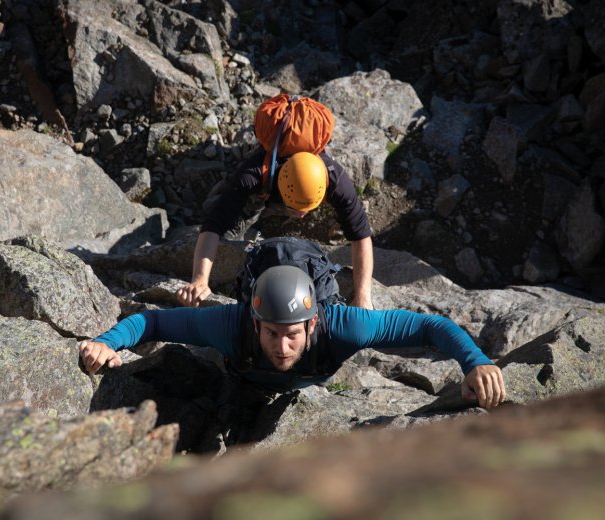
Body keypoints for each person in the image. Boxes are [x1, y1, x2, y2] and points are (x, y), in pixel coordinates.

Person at [82, 265, 506, 409]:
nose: (282, 347)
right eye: (271, 333)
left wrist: (475, 362)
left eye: (292, 336)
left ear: (313, 325)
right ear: (254, 322)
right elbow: (153, 322)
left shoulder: (347, 325)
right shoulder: (227, 324)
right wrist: (107, 341)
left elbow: (430, 327)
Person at [176, 127, 374, 311]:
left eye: (307, 209)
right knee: (227, 210)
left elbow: (361, 235)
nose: (302, 215)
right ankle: (249, 216)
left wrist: (363, 296)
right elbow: (214, 223)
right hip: (265, 184)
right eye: (297, 208)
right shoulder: (252, 174)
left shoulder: (336, 181)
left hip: (293, 184)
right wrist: (200, 279)